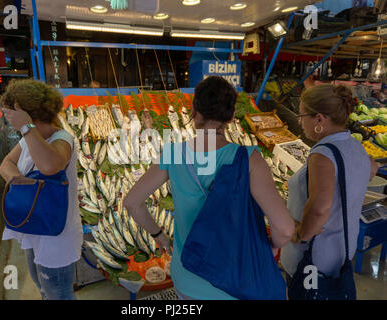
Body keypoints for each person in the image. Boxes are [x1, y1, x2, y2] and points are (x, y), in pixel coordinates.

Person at [123, 76, 295, 300]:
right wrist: (270, 246)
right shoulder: (249, 159)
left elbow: (132, 202)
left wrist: (161, 237)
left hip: (188, 276)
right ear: (232, 116)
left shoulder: (174, 154)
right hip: (235, 280)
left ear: (194, 110)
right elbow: (286, 229)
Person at [280, 84, 378, 293]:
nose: (300, 121)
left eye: (302, 115)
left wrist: (299, 234)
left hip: (314, 259)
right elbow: (369, 171)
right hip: (340, 252)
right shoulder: (355, 146)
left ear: (319, 119)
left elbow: (319, 208)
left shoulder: (323, 154)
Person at [0, 79, 83, 300]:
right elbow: (5, 164)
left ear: (27, 115)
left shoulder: (61, 139)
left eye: (10, 114)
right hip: (34, 226)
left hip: (56, 234)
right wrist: (23, 185)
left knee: (58, 292)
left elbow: (49, 166)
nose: (8, 120)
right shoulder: (30, 139)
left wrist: (26, 126)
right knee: (42, 285)